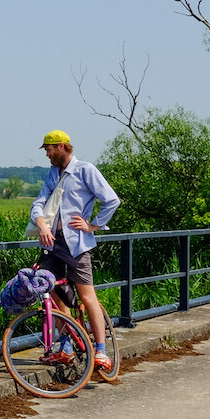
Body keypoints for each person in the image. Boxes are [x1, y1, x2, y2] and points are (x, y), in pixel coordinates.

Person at [28, 130, 121, 371]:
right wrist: (41, 224)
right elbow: (38, 203)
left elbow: (112, 199)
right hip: (53, 243)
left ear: (60, 147)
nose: (47, 154)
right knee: (53, 292)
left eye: (48, 149)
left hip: (77, 244)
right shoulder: (53, 173)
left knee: (87, 296)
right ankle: (67, 345)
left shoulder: (85, 170)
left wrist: (94, 225)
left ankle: (101, 350)